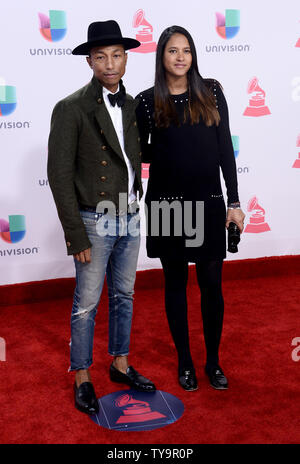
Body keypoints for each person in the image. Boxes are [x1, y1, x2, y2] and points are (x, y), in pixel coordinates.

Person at [47, 20, 156, 416]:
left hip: (129, 214)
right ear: (90, 62)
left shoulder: (133, 106)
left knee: (124, 295)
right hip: (93, 220)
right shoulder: (70, 108)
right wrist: (76, 235)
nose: (110, 63)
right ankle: (81, 375)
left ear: (126, 59)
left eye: (116, 55)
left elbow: (142, 153)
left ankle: (120, 363)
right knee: (86, 304)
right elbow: (59, 176)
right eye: (101, 57)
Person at [136, 26, 245, 391]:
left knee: (212, 285)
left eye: (186, 50)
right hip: (167, 206)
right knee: (176, 283)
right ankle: (185, 361)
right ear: (161, 57)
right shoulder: (147, 101)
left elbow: (224, 150)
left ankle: (213, 361)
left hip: (209, 203)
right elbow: (140, 153)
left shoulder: (211, 91)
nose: (180, 57)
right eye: (172, 51)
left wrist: (234, 202)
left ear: (193, 55)